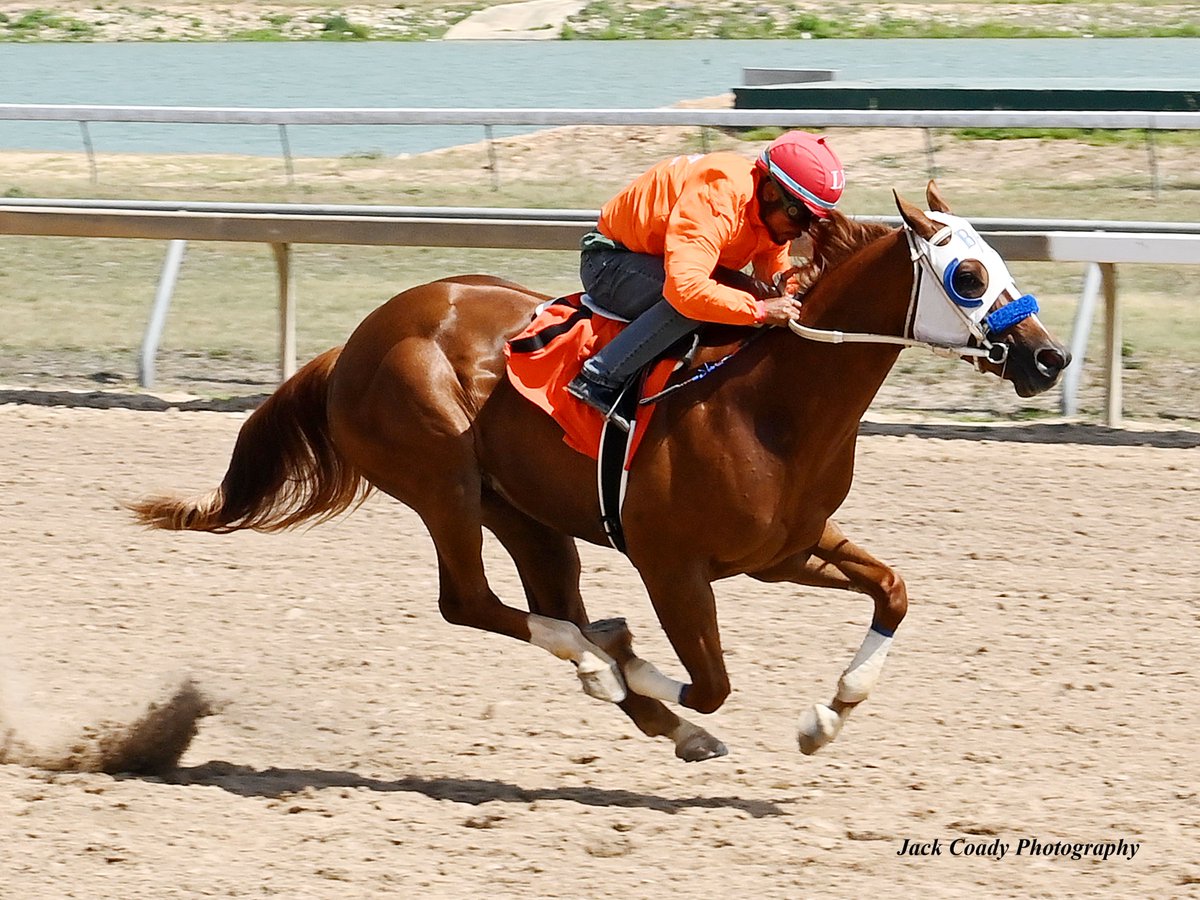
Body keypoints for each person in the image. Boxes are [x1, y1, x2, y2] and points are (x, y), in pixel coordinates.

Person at [566, 130, 846, 429]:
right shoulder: (718, 196)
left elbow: (773, 272)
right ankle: (599, 377)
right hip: (609, 264)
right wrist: (761, 310)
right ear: (770, 193)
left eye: (814, 220)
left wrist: (790, 296)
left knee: (746, 298)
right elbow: (686, 290)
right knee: (696, 307)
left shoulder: (769, 213)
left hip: (658, 263)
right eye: (801, 215)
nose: (804, 229)